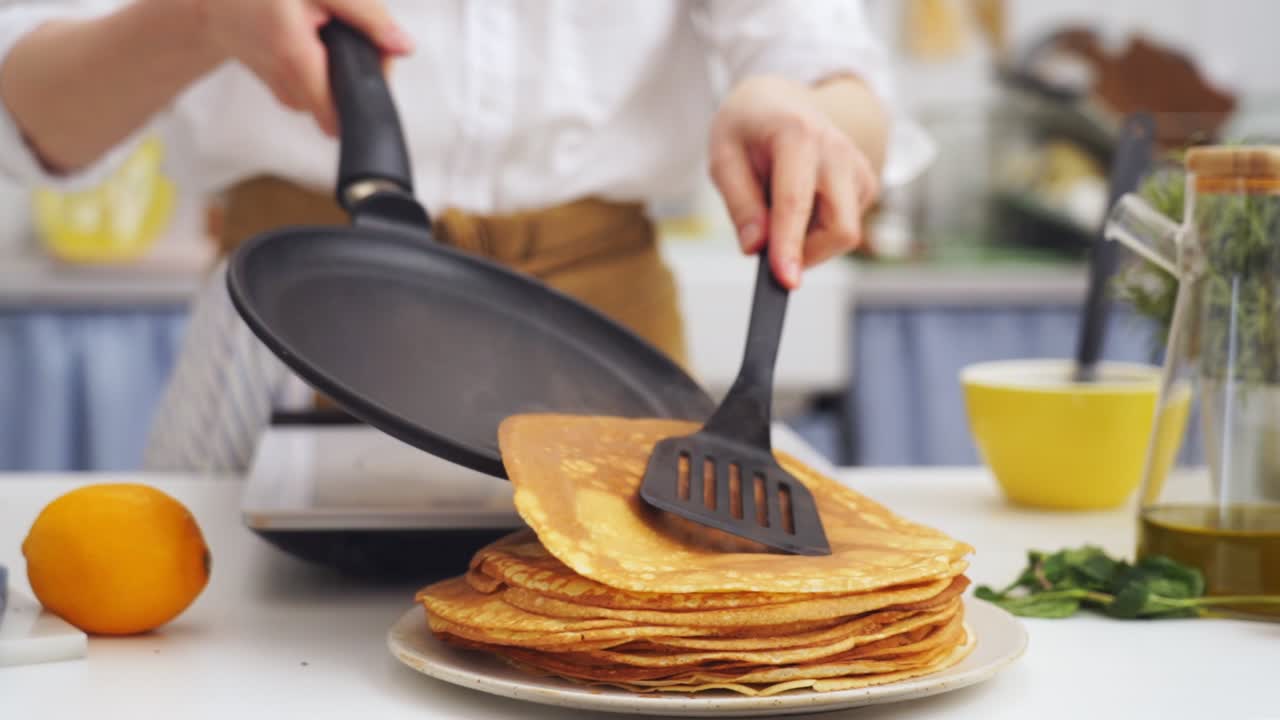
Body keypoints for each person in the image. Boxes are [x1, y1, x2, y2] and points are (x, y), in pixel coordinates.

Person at [0, 0, 932, 472]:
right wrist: (200, 16)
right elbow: (32, 114)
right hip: (289, 331)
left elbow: (837, 80)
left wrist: (801, 112)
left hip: (601, 342)